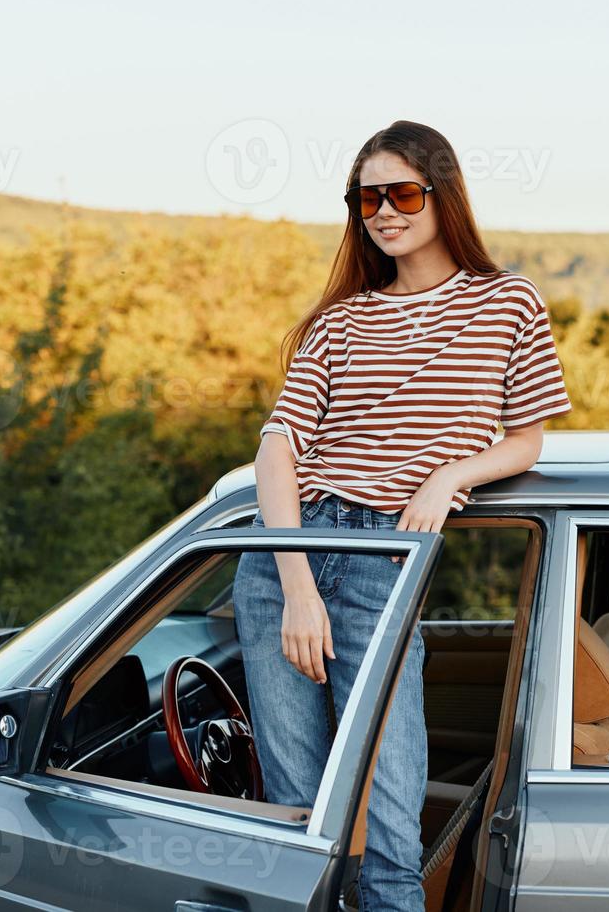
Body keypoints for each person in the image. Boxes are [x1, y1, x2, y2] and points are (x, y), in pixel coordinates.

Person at [231, 119, 572, 911]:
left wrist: (449, 473)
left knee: (386, 820)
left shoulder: (505, 302)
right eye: (365, 198)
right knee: (300, 817)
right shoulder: (339, 319)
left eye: (401, 193)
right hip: (283, 558)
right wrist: (295, 588)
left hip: (385, 558)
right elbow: (277, 451)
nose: (382, 211)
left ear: (441, 195)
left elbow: (524, 440)